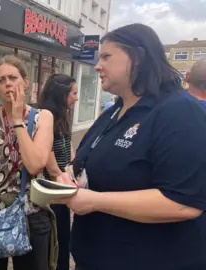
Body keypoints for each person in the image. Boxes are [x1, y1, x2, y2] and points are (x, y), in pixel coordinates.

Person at [54, 23, 206, 270]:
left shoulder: (179, 112)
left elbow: (184, 203)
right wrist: (70, 178)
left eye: (106, 56)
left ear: (138, 57)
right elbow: (90, 162)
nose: (97, 65)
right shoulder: (114, 111)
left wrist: (95, 201)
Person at [0, 55, 57, 270]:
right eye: (1, 80)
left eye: (13, 77)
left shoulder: (43, 117)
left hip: (31, 214)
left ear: (25, 81)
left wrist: (16, 121)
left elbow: (34, 165)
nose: (8, 84)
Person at [38, 73, 78, 270]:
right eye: (74, 93)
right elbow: (49, 161)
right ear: (62, 94)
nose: (76, 98)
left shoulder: (64, 116)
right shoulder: (45, 117)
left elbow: (69, 147)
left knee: (63, 238)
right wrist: (65, 180)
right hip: (51, 192)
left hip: (62, 186)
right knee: (53, 240)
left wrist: (74, 169)